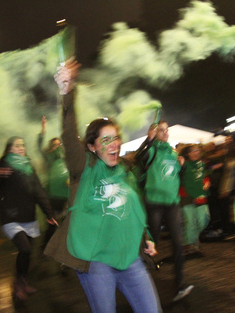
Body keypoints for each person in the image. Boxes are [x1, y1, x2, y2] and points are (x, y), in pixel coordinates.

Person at [44, 58, 162, 313]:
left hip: (129, 258)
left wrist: (146, 238)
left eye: (116, 138)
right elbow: (67, 133)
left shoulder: (126, 172)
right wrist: (66, 93)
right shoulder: (82, 169)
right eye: (105, 139)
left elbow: (133, 211)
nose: (113, 144)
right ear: (92, 147)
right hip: (96, 261)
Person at [0, 136, 57, 301]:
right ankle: (17, 283)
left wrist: (49, 213)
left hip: (28, 217)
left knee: (26, 254)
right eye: (17, 145)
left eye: (23, 145)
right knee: (25, 248)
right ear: (10, 149)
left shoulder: (28, 166)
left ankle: (23, 281)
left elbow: (38, 191)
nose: (21, 148)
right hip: (10, 217)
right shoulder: (3, 164)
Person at [136, 121, 194, 301]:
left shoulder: (172, 153)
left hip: (172, 204)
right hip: (154, 203)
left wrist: (182, 166)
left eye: (166, 130)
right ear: (154, 132)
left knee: (178, 244)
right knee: (152, 243)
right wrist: (148, 140)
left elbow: (176, 176)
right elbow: (140, 158)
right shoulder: (152, 151)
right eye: (161, 130)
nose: (165, 133)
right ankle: (136, 281)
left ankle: (180, 285)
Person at [37, 116, 69, 249]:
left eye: (59, 144)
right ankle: (45, 245)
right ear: (51, 147)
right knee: (53, 222)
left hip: (67, 195)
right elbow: (38, 146)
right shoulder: (49, 158)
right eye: (54, 145)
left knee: (68, 223)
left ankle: (66, 248)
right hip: (54, 196)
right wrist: (43, 131)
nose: (57, 147)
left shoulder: (65, 158)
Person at [179, 144, 211, 255]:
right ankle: (192, 245)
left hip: (200, 196)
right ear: (188, 153)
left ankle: (190, 240)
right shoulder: (184, 164)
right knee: (190, 222)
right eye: (193, 151)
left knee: (204, 219)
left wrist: (206, 182)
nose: (195, 152)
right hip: (186, 196)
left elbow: (205, 176)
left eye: (197, 150)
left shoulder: (202, 164)